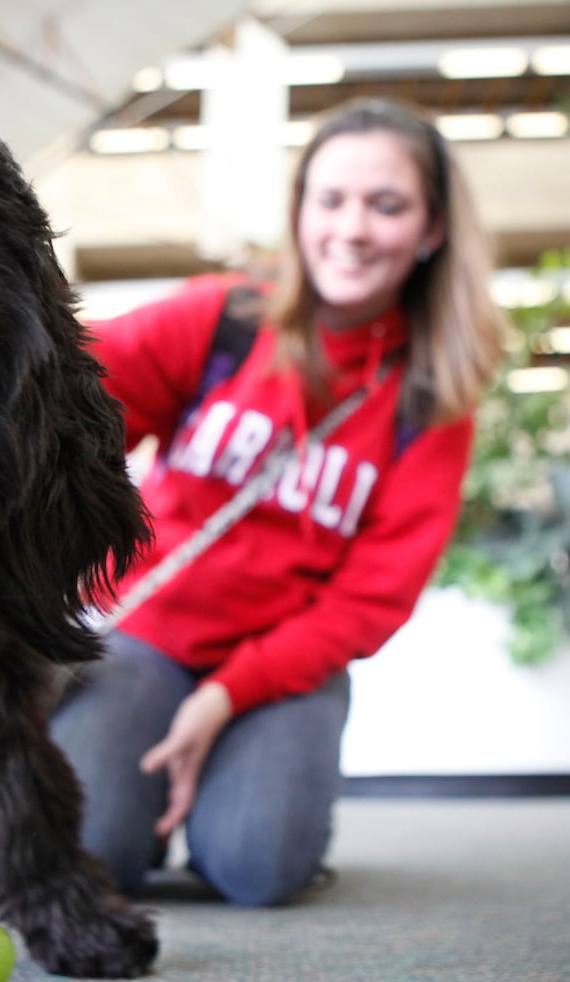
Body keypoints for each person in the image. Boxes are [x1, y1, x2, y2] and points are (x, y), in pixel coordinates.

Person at [51, 97, 507, 904]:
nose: (353, 228)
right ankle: (142, 797)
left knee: (257, 871)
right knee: (92, 859)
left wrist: (227, 695)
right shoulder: (226, 318)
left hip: (285, 662)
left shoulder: (430, 397)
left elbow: (370, 600)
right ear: (301, 211)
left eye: (387, 205)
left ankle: (234, 784)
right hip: (149, 632)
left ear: (432, 229)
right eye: (330, 200)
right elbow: (65, 405)